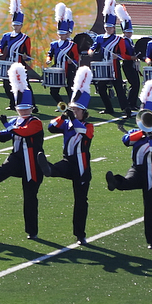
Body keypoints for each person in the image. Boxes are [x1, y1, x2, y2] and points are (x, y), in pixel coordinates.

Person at [0, 63, 44, 239]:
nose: (22, 111)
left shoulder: (35, 122)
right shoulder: (16, 122)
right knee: (7, 165)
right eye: (20, 108)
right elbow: (1, 137)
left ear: (31, 108)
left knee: (30, 198)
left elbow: (23, 132)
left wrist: (6, 123)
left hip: (32, 163)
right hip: (18, 159)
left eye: (25, 108)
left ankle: (32, 231)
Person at [106, 80, 152, 250]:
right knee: (127, 182)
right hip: (137, 169)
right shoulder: (137, 133)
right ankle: (115, 182)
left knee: (150, 208)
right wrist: (143, 131)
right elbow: (126, 140)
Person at [37, 65, 94, 245]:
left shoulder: (88, 126)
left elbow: (83, 132)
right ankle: (48, 169)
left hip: (82, 166)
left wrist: (72, 118)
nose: (74, 112)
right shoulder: (67, 123)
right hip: (68, 161)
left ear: (84, 112)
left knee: (80, 201)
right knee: (56, 168)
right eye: (73, 109)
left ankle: (80, 234)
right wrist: (63, 116)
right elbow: (51, 127)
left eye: (77, 110)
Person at [88, 0, 128, 115]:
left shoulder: (119, 40)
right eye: (107, 27)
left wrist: (117, 57)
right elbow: (93, 47)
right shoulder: (99, 38)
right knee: (101, 88)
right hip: (104, 67)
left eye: (110, 27)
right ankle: (109, 108)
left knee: (119, 89)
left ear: (114, 28)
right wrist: (91, 51)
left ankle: (126, 109)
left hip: (114, 67)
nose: (108, 29)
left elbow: (123, 54)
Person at [0, 0, 35, 111]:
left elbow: (28, 55)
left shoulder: (25, 38)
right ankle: (13, 103)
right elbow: (0, 47)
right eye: (14, 25)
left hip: (19, 65)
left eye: (17, 25)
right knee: (6, 85)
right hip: (8, 64)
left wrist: (26, 57)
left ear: (21, 25)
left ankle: (33, 105)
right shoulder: (6, 36)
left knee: (25, 85)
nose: (15, 27)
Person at [46, 3, 79, 105]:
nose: (61, 36)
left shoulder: (72, 45)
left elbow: (76, 58)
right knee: (53, 91)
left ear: (67, 34)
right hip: (57, 69)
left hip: (69, 70)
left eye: (63, 34)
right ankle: (62, 105)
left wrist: (71, 61)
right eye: (59, 34)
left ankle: (73, 106)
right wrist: (48, 59)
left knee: (70, 89)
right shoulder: (54, 44)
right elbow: (50, 54)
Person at [116, 3, 140, 117]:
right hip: (127, 64)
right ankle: (130, 103)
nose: (130, 33)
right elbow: (123, 55)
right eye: (128, 32)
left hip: (132, 63)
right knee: (134, 84)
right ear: (124, 32)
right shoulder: (123, 41)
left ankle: (133, 103)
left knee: (136, 84)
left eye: (130, 31)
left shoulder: (130, 40)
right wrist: (132, 57)